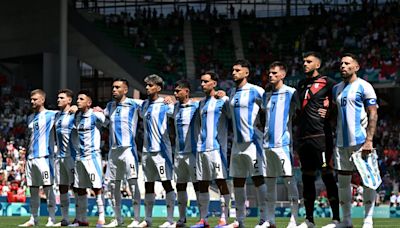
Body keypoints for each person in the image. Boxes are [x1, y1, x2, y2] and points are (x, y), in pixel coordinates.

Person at [332, 53, 379, 228]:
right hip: (341, 143)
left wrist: (369, 140)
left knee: (368, 181)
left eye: (347, 63)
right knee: (343, 183)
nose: (342, 66)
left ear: (356, 67)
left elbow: (373, 113)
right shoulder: (336, 88)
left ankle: (368, 220)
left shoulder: (364, 86)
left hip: (361, 142)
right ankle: (347, 220)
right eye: (341, 63)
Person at [296, 52, 340, 228]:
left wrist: (330, 113)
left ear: (318, 65)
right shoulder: (300, 84)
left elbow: (340, 103)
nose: (305, 64)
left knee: (327, 175)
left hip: (321, 137)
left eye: (309, 61)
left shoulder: (329, 83)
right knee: (307, 178)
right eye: (304, 61)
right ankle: (309, 220)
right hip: (303, 138)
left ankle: (336, 219)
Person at [227, 59, 268, 228]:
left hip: (253, 143)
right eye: (233, 70)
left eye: (237, 70)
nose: (234, 73)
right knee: (237, 181)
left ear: (246, 73)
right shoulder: (231, 92)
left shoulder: (257, 90)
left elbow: (267, 111)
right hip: (236, 143)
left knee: (258, 179)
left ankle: (264, 218)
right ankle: (239, 220)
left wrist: (263, 130)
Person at [261, 61, 299, 228]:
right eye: (270, 73)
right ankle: (271, 220)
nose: (271, 75)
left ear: (283, 75)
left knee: (289, 181)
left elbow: (301, 113)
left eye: (275, 73)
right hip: (266, 146)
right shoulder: (266, 95)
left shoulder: (291, 93)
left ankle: (294, 219)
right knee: (269, 183)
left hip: (282, 145)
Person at [191, 72, 231, 228]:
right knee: (202, 183)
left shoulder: (223, 100)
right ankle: (203, 219)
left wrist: (225, 95)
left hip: (216, 148)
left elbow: (232, 115)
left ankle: (224, 217)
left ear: (214, 83)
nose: (202, 84)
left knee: (221, 181)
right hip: (201, 149)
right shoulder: (201, 103)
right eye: (201, 81)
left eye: (206, 81)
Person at [102, 79, 143, 227]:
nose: (114, 89)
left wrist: (166, 99)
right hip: (113, 151)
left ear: (125, 90)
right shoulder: (110, 106)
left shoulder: (134, 103)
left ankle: (137, 219)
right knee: (113, 186)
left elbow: (153, 104)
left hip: (128, 150)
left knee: (132, 184)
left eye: (117, 87)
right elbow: (102, 117)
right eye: (113, 87)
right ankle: (117, 219)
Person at [137, 74, 176, 228]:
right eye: (146, 85)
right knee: (148, 184)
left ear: (158, 88)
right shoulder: (144, 105)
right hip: (147, 151)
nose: (147, 87)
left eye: (150, 85)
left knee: (166, 183)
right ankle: (148, 219)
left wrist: (171, 100)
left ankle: (170, 219)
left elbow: (178, 111)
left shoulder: (165, 104)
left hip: (162, 151)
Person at [19, 89, 57, 227]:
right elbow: (29, 139)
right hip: (31, 158)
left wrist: (73, 107)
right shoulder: (30, 117)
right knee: (33, 189)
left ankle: (52, 218)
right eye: (31, 99)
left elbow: (67, 112)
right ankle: (33, 218)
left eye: (35, 99)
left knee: (48, 188)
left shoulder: (52, 115)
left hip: (44, 158)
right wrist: (26, 158)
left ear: (42, 100)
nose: (32, 101)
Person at [71, 90, 107, 227]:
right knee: (79, 188)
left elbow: (107, 120)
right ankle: (82, 219)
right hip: (79, 157)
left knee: (97, 187)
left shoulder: (95, 115)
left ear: (89, 102)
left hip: (92, 157)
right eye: (77, 99)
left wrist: (102, 110)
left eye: (81, 99)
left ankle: (102, 217)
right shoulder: (77, 116)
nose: (78, 101)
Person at [171, 80, 201, 227]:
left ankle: (202, 218)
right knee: (180, 185)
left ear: (187, 91)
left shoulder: (196, 106)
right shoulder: (175, 108)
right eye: (175, 91)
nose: (175, 94)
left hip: (193, 154)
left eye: (178, 91)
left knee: (197, 186)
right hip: (178, 154)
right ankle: (182, 218)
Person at [53, 89, 82, 226]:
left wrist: (77, 108)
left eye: (61, 98)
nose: (58, 99)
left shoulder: (76, 114)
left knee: (76, 187)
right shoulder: (57, 115)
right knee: (62, 187)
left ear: (69, 100)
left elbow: (89, 112)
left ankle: (79, 218)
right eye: (58, 97)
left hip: (72, 156)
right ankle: (64, 218)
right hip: (59, 157)